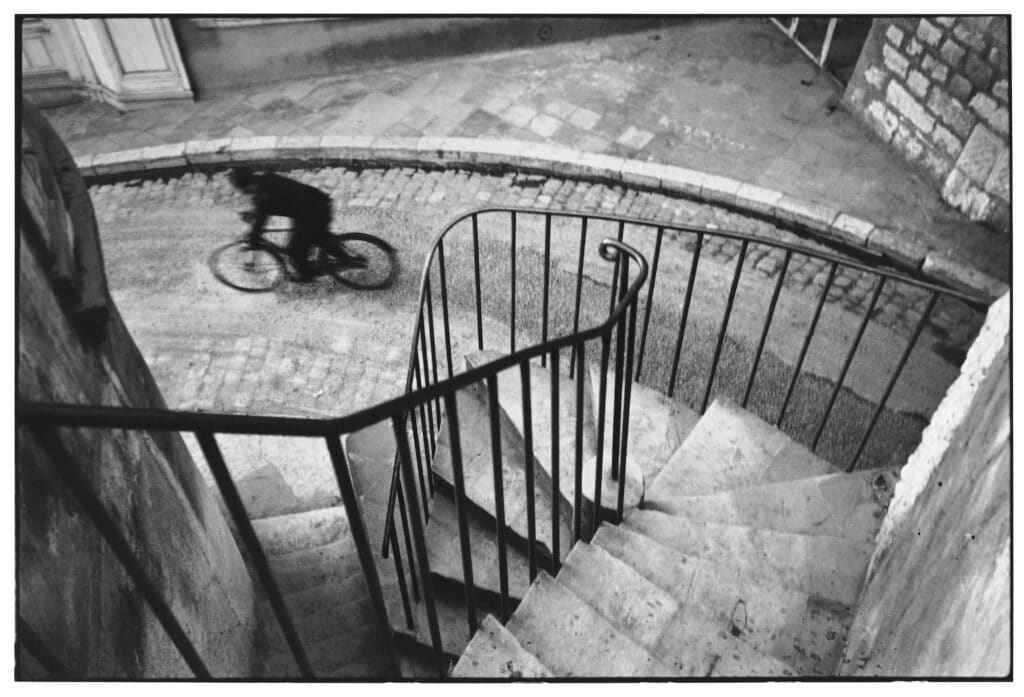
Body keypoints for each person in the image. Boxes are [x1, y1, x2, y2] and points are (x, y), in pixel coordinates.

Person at [228, 166, 352, 281]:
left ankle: (306, 275)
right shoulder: (266, 179)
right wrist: (254, 216)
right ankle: (343, 256)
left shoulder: (261, 196)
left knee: (295, 250)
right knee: (316, 237)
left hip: (313, 212)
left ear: (243, 187)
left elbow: (262, 215)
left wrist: (253, 236)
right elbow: (271, 204)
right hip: (315, 204)